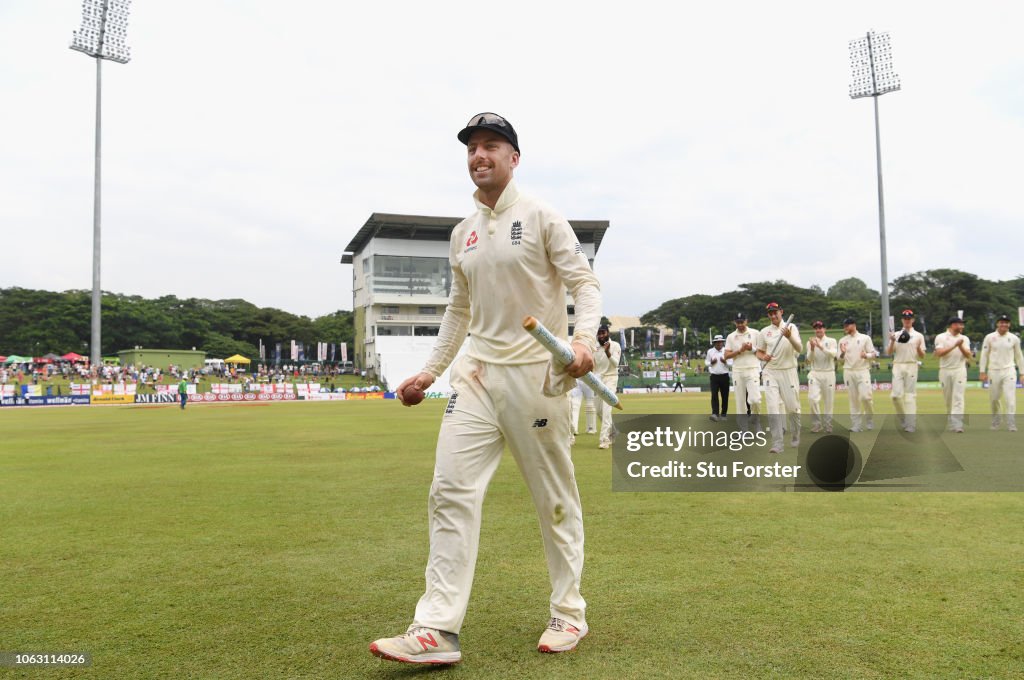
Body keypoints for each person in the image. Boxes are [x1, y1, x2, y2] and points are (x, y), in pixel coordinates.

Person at [370, 112, 600, 665]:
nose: (480, 156)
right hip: (474, 376)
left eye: (491, 146)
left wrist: (584, 338)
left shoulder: (541, 215)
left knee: (554, 502)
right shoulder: (462, 232)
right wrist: (429, 372)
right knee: (449, 490)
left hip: (535, 378)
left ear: (513, 158)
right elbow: (458, 309)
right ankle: (436, 630)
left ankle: (568, 613)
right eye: (472, 148)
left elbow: (583, 283)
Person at [755, 302, 802, 453]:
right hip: (770, 372)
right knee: (773, 407)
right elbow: (759, 352)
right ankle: (777, 443)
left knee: (793, 408)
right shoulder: (764, 332)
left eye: (775, 312)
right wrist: (764, 356)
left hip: (788, 371)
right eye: (770, 313)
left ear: (781, 312)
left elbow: (799, 348)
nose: (773, 315)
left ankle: (795, 435)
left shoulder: (791, 327)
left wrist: (789, 337)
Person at [979, 313, 1024, 431]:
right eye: (1001, 322)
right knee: (994, 398)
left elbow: (1019, 356)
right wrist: (982, 371)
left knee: (1010, 398)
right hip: (993, 371)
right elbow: (984, 355)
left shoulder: (1014, 338)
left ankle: (1011, 423)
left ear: (1009, 324)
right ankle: (996, 421)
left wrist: (1022, 373)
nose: (1004, 324)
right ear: (997, 324)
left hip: (1009, 370)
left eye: (1006, 322)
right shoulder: (989, 337)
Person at [887, 309, 926, 433]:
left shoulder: (919, 335)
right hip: (898, 365)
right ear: (902, 320)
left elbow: (922, 355)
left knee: (910, 396)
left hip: (911, 365)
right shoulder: (896, 334)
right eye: (905, 318)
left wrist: (919, 347)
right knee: (895, 396)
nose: (907, 320)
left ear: (913, 320)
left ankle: (910, 424)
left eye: (909, 318)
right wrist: (892, 340)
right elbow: (889, 352)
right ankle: (903, 419)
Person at [934, 317, 972, 433]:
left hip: (960, 370)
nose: (962, 327)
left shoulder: (964, 338)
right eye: (960, 325)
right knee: (948, 398)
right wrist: (955, 345)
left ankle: (957, 424)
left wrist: (960, 346)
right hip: (945, 370)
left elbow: (968, 355)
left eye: (962, 325)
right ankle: (951, 420)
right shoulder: (941, 337)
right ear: (953, 325)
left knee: (958, 397)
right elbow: (939, 353)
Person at [724, 312, 761, 431]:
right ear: (735, 322)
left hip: (753, 369)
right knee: (740, 402)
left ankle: (756, 422)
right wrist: (740, 350)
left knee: (755, 399)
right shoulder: (731, 336)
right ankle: (744, 430)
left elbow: (762, 352)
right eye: (738, 322)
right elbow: (726, 355)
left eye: (742, 322)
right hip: (738, 371)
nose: (740, 324)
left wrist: (751, 348)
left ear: (746, 321)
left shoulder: (755, 333)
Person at [839, 317, 876, 432]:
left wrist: (867, 356)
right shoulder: (842, 340)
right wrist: (843, 353)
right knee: (853, 399)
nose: (845, 328)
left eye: (847, 325)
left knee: (866, 397)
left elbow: (873, 353)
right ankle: (856, 425)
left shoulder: (865, 338)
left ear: (854, 325)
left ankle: (869, 419)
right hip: (848, 371)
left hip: (863, 370)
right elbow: (839, 360)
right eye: (844, 326)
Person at [805, 320, 837, 433]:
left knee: (828, 401)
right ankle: (816, 424)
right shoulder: (810, 343)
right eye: (816, 328)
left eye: (820, 327)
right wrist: (813, 348)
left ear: (825, 329)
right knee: (812, 399)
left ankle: (828, 425)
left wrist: (820, 346)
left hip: (829, 373)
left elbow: (833, 354)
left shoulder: (831, 341)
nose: (818, 329)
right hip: (815, 373)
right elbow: (809, 359)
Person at [594, 324, 621, 449]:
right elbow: (593, 366)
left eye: (603, 333)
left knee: (606, 410)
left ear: (608, 333)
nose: (601, 335)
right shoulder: (594, 348)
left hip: (611, 379)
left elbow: (615, 364)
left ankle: (605, 439)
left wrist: (608, 352)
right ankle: (613, 432)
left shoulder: (615, 345)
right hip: (598, 380)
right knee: (599, 410)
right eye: (599, 333)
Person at [705, 334, 730, 421]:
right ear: (714, 343)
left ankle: (723, 414)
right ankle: (715, 413)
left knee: (725, 396)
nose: (719, 344)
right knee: (714, 395)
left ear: (723, 343)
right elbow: (706, 362)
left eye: (721, 342)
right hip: (714, 376)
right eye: (717, 342)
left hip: (724, 375)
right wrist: (711, 362)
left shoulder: (726, 351)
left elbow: (731, 363)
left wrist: (725, 361)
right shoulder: (710, 351)